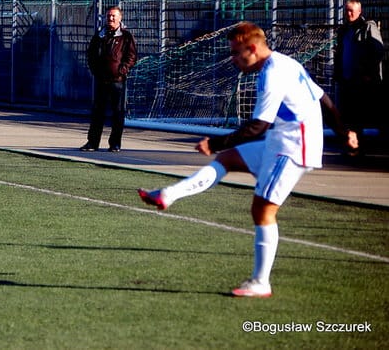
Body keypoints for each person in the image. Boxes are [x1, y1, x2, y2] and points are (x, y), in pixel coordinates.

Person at [138, 22, 358, 298]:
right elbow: (324, 99)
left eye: (236, 52)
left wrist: (215, 142)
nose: (233, 59)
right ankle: (168, 195)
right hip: (279, 141)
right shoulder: (286, 63)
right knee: (229, 159)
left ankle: (260, 282)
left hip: (293, 147)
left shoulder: (272, 74)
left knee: (263, 210)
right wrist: (345, 131)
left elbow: (258, 126)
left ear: (252, 49)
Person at [80, 6, 137, 152]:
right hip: (101, 80)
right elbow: (91, 54)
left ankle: (115, 144)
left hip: (117, 81)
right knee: (98, 112)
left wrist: (121, 70)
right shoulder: (100, 35)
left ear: (120, 18)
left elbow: (131, 57)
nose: (110, 18)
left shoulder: (126, 37)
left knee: (118, 113)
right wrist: (95, 71)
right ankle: (92, 143)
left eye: (113, 16)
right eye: (109, 16)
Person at [334, 0, 385, 147]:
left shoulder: (368, 27)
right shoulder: (343, 30)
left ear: (359, 11)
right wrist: (338, 74)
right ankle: (352, 144)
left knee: (361, 115)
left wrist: (369, 73)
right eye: (346, 11)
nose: (348, 14)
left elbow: (378, 51)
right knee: (348, 114)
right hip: (347, 79)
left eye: (351, 11)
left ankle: (361, 146)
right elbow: (340, 53)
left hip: (362, 80)